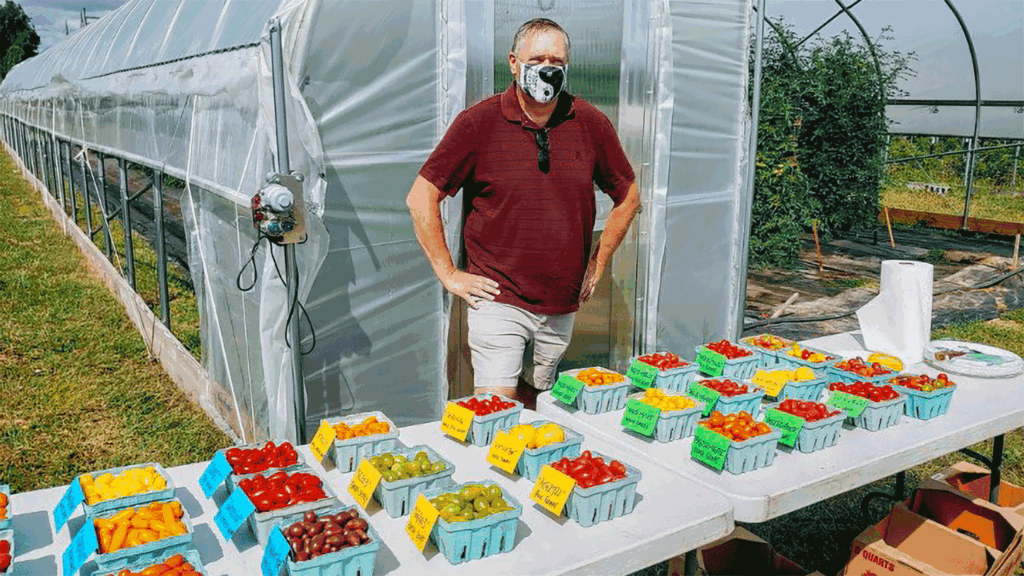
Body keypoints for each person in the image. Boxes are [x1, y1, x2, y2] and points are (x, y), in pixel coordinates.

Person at [406, 18, 640, 400]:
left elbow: (629, 195)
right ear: (514, 63)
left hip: (562, 303)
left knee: (537, 399)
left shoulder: (590, 123)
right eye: (538, 58)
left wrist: (598, 262)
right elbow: (420, 196)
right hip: (498, 298)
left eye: (557, 60)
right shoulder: (478, 124)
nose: (548, 68)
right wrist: (448, 273)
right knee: (497, 409)